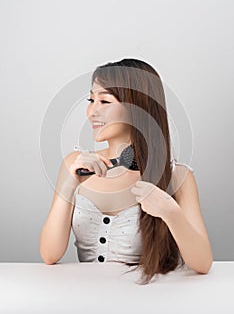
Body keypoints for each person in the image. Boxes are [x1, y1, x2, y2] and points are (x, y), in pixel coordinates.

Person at [40, 58, 213, 285]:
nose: (91, 111)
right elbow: (50, 255)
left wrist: (171, 212)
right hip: (83, 296)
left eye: (105, 101)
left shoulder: (178, 177)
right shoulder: (76, 164)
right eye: (91, 100)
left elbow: (203, 264)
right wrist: (68, 187)